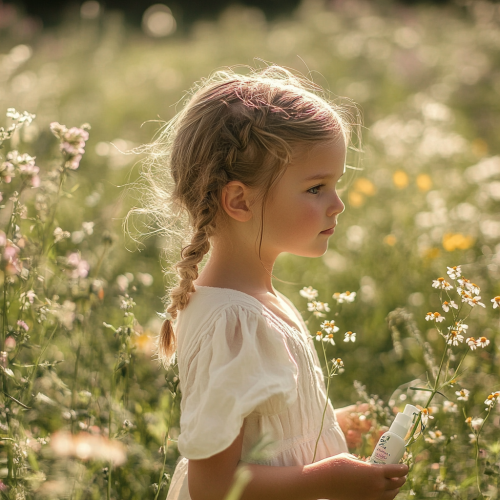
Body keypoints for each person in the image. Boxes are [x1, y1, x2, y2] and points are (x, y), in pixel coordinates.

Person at [134, 65, 408, 500]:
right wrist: (330, 477)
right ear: (240, 200)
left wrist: (325, 427)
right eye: (317, 188)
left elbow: (259, 434)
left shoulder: (253, 301)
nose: (337, 204)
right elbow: (212, 485)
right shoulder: (234, 321)